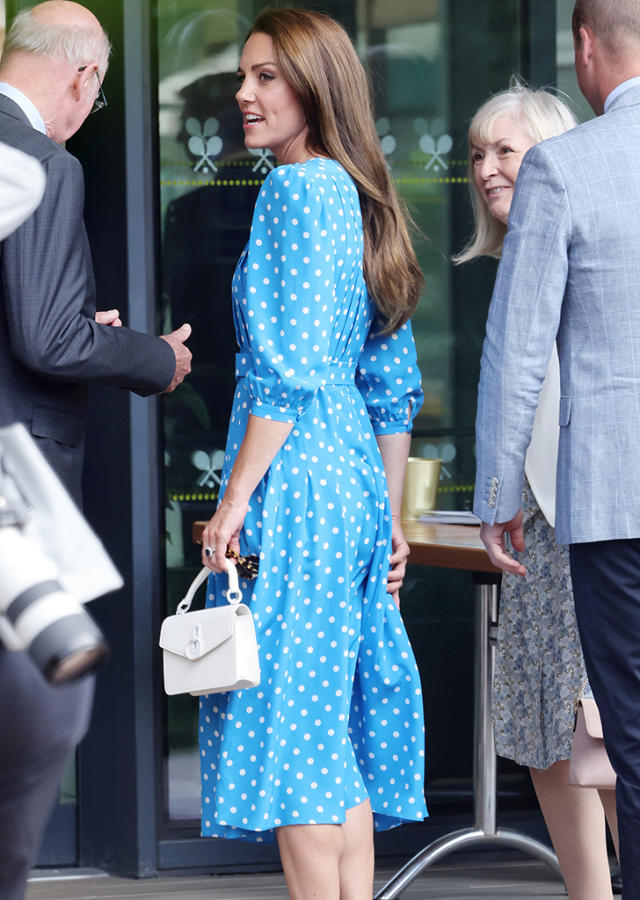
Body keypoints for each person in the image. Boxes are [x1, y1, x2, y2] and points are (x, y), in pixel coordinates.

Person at [198, 9, 427, 899]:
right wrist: (393, 513)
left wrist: (231, 502)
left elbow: (287, 376)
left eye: (267, 77)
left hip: (294, 481)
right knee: (333, 733)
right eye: (244, 77)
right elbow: (390, 381)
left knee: (293, 728)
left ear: (316, 87)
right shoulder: (355, 195)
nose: (245, 95)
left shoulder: (297, 191)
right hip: (353, 488)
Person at [0, 4, 192, 898]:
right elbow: (45, 342)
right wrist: (157, 358)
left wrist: (76, 325)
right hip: (19, 486)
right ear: (81, 78)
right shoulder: (45, 161)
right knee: (37, 708)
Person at [474, 0, 640, 893]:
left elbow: (519, 354)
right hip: (580, 516)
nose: (494, 166)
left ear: (585, 48)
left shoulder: (570, 172)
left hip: (604, 508)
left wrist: (495, 492)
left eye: (506, 149)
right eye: (480, 153)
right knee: (590, 741)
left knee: (621, 738)